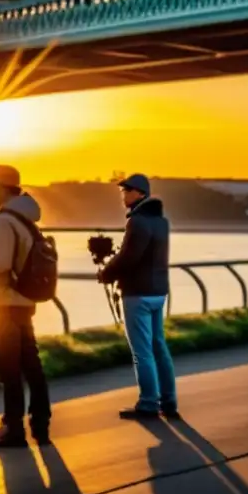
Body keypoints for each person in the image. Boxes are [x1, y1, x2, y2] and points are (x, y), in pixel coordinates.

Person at [0, 164, 52, 449]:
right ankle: (41, 424)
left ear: (4, 188)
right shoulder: (26, 219)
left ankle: (13, 428)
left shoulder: (4, 220)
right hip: (23, 300)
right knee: (31, 364)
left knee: (9, 368)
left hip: (4, 301)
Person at [98, 174, 179, 421]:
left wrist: (106, 273)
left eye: (126, 191)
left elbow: (129, 257)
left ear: (139, 193)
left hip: (138, 293)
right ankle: (169, 400)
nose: (123, 195)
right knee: (159, 346)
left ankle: (147, 403)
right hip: (158, 291)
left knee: (142, 352)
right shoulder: (161, 222)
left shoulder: (138, 222)